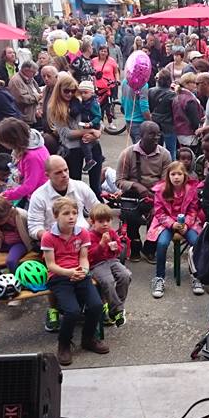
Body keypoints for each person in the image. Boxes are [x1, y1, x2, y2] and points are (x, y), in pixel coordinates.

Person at [41, 197, 108, 365]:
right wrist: (69, 272)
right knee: (72, 311)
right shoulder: (48, 237)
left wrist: (83, 271)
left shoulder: (82, 233)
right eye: (66, 213)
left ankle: (88, 339)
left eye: (74, 213)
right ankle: (64, 344)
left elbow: (84, 258)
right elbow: (51, 265)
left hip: (79, 273)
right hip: (59, 277)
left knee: (96, 305)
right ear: (56, 216)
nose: (71, 217)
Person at [116, 121, 171, 262]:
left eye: (158, 134)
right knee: (129, 215)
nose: (156, 137)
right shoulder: (127, 154)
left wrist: (156, 202)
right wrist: (136, 186)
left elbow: (166, 183)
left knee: (157, 217)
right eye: (151, 134)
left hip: (156, 195)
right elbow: (120, 181)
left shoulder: (165, 155)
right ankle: (135, 246)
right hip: (133, 194)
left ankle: (149, 249)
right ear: (141, 135)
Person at [148, 162, 203, 299]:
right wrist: (172, 224)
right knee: (161, 244)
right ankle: (159, 278)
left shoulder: (191, 189)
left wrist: (187, 224)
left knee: (196, 243)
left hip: (186, 223)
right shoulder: (161, 190)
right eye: (173, 174)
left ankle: (197, 276)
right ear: (168, 176)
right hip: (166, 223)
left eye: (179, 174)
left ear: (185, 176)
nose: (176, 177)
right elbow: (159, 212)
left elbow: (193, 209)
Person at [85, 204, 131, 326]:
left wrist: (115, 247)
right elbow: (90, 256)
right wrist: (101, 245)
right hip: (97, 265)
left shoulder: (111, 232)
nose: (105, 224)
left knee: (125, 275)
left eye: (108, 220)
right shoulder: (90, 236)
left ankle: (114, 309)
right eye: (100, 221)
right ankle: (118, 311)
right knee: (108, 281)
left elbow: (120, 249)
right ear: (92, 222)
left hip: (112, 260)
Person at [0, 118, 50, 203]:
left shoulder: (31, 157)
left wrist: (6, 195)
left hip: (40, 198)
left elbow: (29, 186)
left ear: (11, 140)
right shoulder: (33, 143)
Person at [148, 70, 177, 160]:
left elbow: (150, 107)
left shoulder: (151, 91)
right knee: (171, 151)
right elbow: (175, 111)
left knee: (156, 149)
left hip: (155, 122)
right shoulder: (172, 94)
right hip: (169, 124)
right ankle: (171, 169)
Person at [172, 72, 204, 151]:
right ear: (186, 84)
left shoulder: (178, 96)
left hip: (179, 132)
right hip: (189, 134)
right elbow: (194, 120)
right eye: (193, 82)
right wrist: (198, 130)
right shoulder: (189, 100)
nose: (196, 85)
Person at [8, 60, 42, 126]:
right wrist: (37, 97)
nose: (35, 74)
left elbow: (37, 90)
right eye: (33, 72)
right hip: (23, 117)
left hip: (33, 115)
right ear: (26, 70)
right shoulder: (16, 80)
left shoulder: (30, 78)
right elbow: (21, 98)